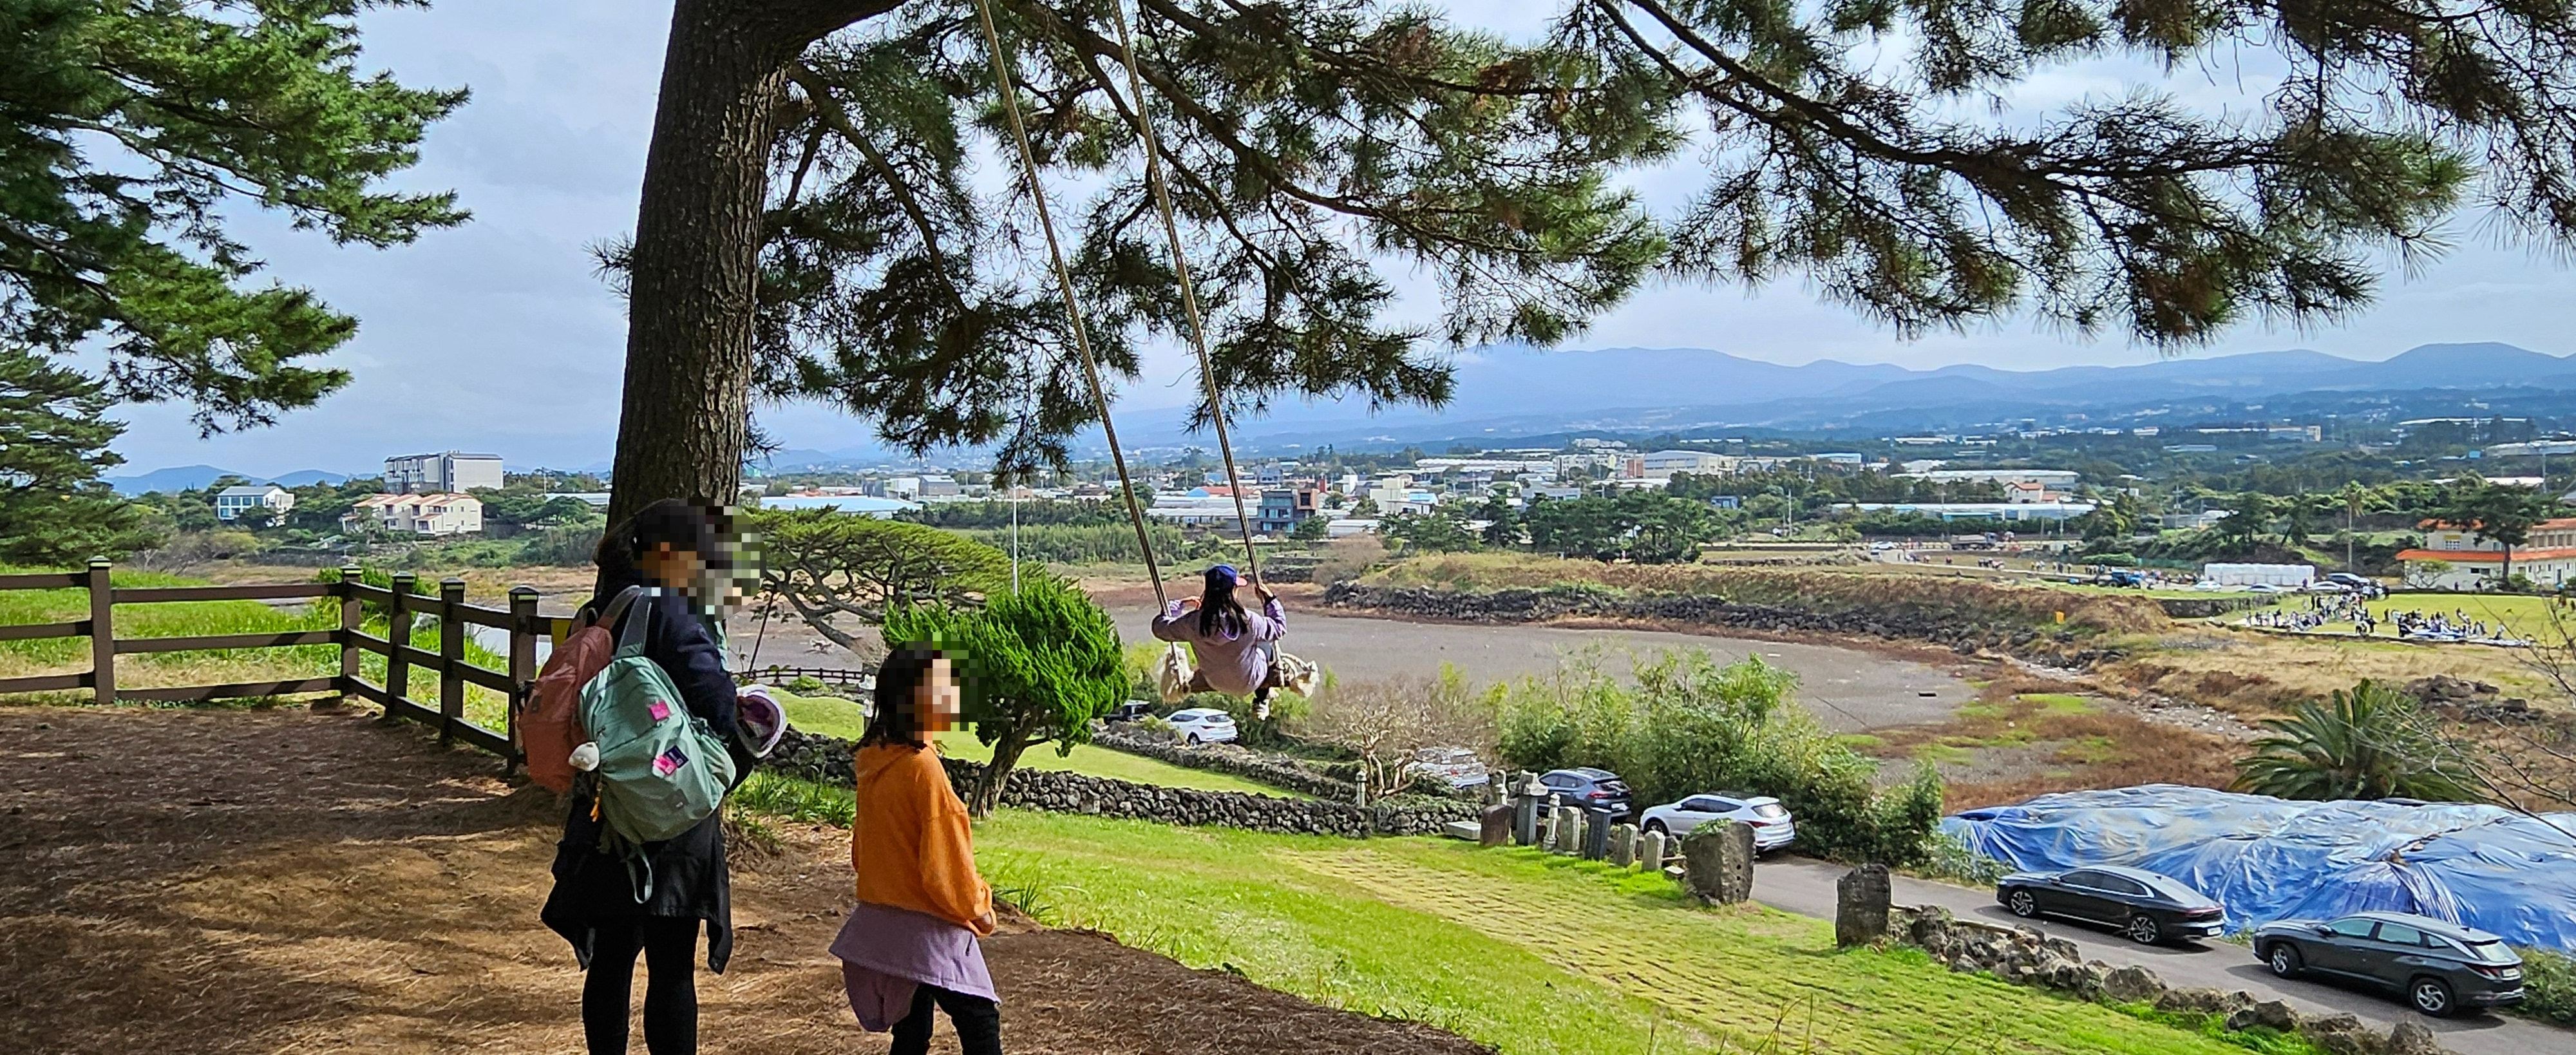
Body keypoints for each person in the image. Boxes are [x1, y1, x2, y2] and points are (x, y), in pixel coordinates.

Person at [542, 499, 755, 1055]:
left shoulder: (605, 605)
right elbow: (714, 697)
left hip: (606, 801)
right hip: (670, 800)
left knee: (612, 959)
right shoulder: (675, 609)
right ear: (672, 553)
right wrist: (738, 749)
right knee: (670, 967)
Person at [834, 645, 1002, 1055]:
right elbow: (944, 865)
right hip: (929, 922)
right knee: (980, 1023)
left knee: (911, 1031)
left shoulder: (875, 759)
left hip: (884, 921)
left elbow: (862, 851)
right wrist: (978, 906)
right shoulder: (922, 766)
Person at [1151, 564, 1285, 705]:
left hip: (1215, 681)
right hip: (1249, 682)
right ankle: (1262, 698)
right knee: (1264, 644)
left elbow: (1160, 628)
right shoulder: (1249, 621)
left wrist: (1179, 605)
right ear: (1233, 591)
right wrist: (1270, 600)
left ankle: (1262, 698)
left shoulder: (1193, 623)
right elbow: (1279, 628)